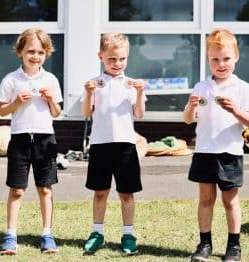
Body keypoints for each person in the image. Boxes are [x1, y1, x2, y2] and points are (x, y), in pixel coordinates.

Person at [183, 29, 249, 262]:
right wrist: (191, 106)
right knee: (206, 200)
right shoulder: (201, 86)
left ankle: (233, 247)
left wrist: (235, 110)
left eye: (226, 58)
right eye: (215, 59)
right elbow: (187, 119)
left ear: (236, 56)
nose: (221, 64)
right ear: (208, 60)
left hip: (230, 152)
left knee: (229, 200)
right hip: (205, 150)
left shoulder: (242, 87)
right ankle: (204, 244)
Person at [0, 28, 63, 255]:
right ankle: (10, 235)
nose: (35, 56)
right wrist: (15, 102)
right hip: (20, 139)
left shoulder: (51, 80)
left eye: (40, 52)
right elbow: (2, 111)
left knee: (45, 188)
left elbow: (56, 112)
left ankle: (47, 234)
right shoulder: (11, 79)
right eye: (30, 51)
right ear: (20, 52)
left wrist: (52, 100)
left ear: (47, 53)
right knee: (17, 190)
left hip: (45, 139)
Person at [80, 32, 146, 255]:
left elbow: (139, 114)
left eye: (122, 59)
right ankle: (97, 232)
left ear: (127, 57)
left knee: (126, 193)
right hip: (100, 144)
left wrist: (139, 92)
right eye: (112, 59)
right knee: (100, 192)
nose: (117, 63)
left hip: (125, 145)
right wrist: (89, 93)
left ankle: (128, 234)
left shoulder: (131, 84)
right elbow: (86, 112)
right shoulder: (94, 83)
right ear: (101, 56)